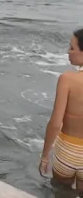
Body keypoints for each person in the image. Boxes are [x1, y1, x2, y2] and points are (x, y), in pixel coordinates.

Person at [40, 29, 83, 189]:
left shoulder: (68, 79)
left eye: (72, 48)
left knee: (61, 192)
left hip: (68, 153)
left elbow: (56, 123)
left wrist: (44, 156)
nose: (68, 52)